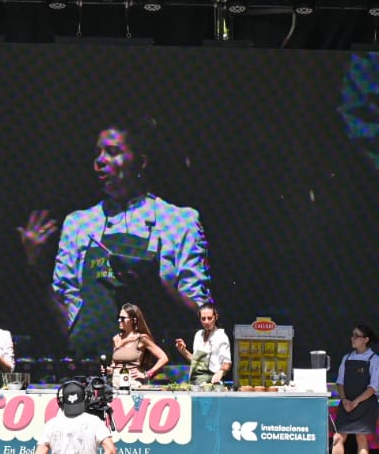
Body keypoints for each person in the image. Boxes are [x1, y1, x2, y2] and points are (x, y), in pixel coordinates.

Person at [20, 117, 212, 355]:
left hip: (157, 370)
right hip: (93, 368)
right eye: (97, 153)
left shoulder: (179, 221)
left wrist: (156, 287)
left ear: (140, 162)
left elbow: (202, 316)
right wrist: (36, 265)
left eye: (112, 152)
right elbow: (70, 318)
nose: (99, 161)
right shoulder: (79, 223)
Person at [331, 324, 379, 454]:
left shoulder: (375, 359)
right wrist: (344, 400)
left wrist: (355, 402)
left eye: (356, 336)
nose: (352, 338)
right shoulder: (346, 358)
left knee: (361, 438)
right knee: (338, 438)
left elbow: (373, 387)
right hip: (346, 403)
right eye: (352, 335)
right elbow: (340, 382)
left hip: (364, 404)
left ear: (366, 339)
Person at [36, 378, 117, 454]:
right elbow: (111, 450)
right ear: (85, 399)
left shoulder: (51, 424)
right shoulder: (94, 421)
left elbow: (41, 451)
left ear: (61, 401)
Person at [174, 302, 231, 386]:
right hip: (195, 384)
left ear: (216, 317)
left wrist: (221, 372)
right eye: (203, 319)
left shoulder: (221, 336)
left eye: (209, 318)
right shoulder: (198, 335)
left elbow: (227, 362)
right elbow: (196, 361)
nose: (206, 322)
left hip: (212, 384)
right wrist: (183, 351)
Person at [110, 303, 168, 386]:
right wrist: (108, 369)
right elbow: (114, 365)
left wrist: (147, 374)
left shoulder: (141, 338)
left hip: (132, 384)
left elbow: (163, 358)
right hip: (115, 385)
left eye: (123, 318)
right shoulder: (116, 338)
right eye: (118, 317)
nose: (119, 320)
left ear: (133, 320)